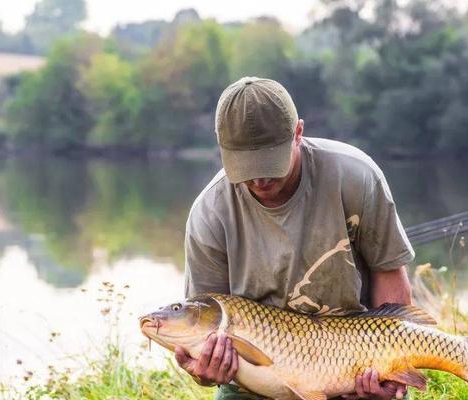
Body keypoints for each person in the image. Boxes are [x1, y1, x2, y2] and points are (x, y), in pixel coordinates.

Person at [176, 77, 415, 400]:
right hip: (256, 378)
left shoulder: (355, 176)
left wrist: (394, 366)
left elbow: (388, 274)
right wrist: (204, 371)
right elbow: (203, 330)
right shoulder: (210, 214)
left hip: (355, 364)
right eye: (246, 166)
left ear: (298, 133)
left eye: (271, 163)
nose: (259, 178)